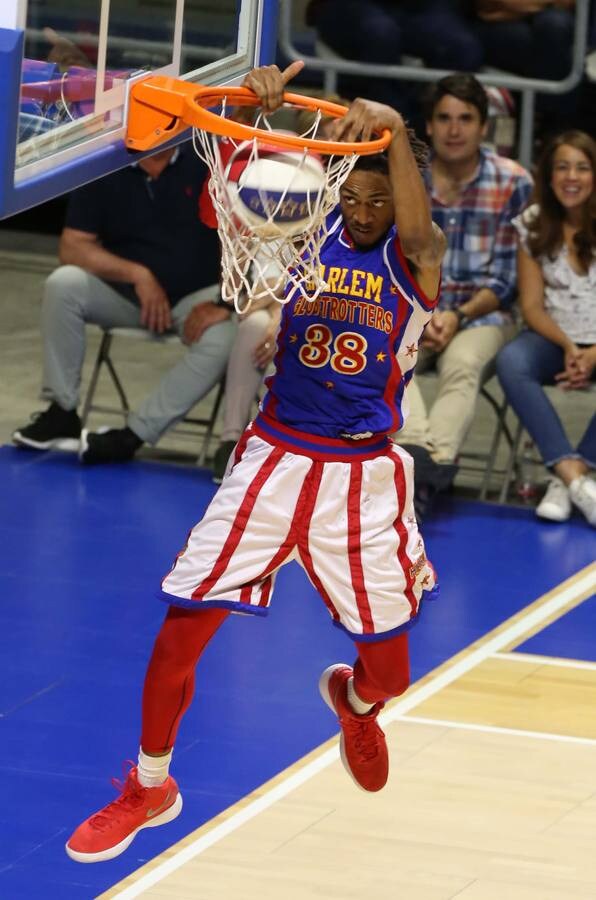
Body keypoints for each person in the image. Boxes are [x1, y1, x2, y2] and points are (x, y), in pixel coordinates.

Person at [64, 60, 447, 863]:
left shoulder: (416, 258)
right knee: (181, 625)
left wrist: (392, 131)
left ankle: (354, 700)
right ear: (338, 189)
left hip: (362, 474)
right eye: (356, 194)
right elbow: (228, 205)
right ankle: (150, 783)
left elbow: (416, 227)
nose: (367, 208)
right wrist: (262, 122)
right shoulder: (308, 231)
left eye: (381, 195)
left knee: (394, 676)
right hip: (273, 455)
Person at [12, 144, 236, 464]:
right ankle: (61, 411)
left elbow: (237, 237)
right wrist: (137, 275)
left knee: (226, 336)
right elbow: (73, 247)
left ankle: (133, 435)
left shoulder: (206, 160)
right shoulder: (103, 165)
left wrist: (224, 302)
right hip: (125, 296)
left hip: (194, 298)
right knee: (63, 284)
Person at [395, 72, 533, 520]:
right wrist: (428, 309)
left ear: (483, 127)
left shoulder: (514, 182)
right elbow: (394, 258)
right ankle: (417, 457)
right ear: (430, 126)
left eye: (466, 119)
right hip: (415, 305)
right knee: (394, 359)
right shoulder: (409, 179)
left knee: (463, 364)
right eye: (445, 118)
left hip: (483, 314)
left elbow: (510, 278)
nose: (455, 129)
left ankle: (426, 468)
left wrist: (455, 315)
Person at [496, 130, 596, 526]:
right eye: (562, 167)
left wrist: (592, 355)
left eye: (583, 168)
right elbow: (532, 307)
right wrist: (571, 349)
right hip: (555, 338)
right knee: (512, 360)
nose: (571, 177)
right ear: (549, 176)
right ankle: (574, 475)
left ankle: (569, 475)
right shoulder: (534, 223)